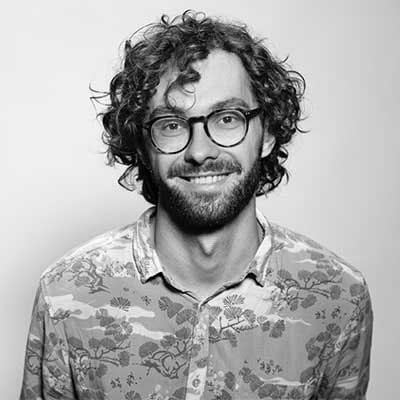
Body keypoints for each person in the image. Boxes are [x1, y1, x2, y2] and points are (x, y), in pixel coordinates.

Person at [20, 11, 373, 400]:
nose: (200, 151)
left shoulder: (338, 297)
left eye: (227, 118)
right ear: (143, 146)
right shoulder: (66, 293)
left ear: (268, 133)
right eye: (171, 125)